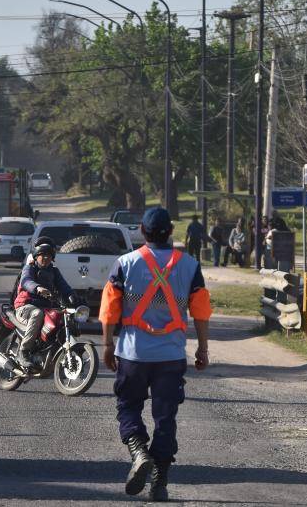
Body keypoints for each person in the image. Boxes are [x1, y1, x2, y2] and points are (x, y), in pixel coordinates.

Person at [100, 207, 211, 501]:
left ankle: (138, 451)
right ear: (171, 232)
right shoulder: (189, 265)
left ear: (142, 230)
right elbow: (200, 312)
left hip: (133, 354)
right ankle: (160, 481)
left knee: (128, 406)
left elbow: (110, 309)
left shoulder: (125, 263)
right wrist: (202, 347)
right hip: (170, 356)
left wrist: (108, 344)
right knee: (166, 418)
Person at [13, 241, 76, 369]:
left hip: (46, 306)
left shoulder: (54, 272)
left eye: (49, 255)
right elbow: (26, 281)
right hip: (25, 306)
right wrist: (37, 288)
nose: (46, 258)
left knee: (61, 319)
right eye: (42, 254)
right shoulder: (30, 268)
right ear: (36, 256)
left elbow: (65, 287)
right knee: (38, 313)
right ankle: (23, 352)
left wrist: (74, 297)